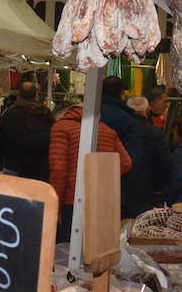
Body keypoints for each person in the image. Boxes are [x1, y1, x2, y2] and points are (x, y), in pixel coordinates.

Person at [47, 101, 132, 243]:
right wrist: (102, 176)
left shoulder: (61, 127)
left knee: (70, 252)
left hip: (72, 201)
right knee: (96, 252)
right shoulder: (107, 130)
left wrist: (56, 206)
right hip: (102, 201)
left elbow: (59, 169)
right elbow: (126, 163)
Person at [0, 80, 52, 182]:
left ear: (18, 95)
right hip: (37, 169)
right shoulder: (44, 113)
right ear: (36, 95)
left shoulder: (9, 114)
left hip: (12, 166)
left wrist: (0, 161)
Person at [125, 96, 168, 215]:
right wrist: (159, 187)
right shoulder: (155, 132)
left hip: (124, 183)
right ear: (147, 110)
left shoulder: (122, 129)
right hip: (146, 185)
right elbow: (163, 162)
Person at [99, 75, 140, 177]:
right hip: (115, 175)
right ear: (121, 93)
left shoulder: (87, 112)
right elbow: (133, 154)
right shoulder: (126, 118)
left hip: (85, 171)